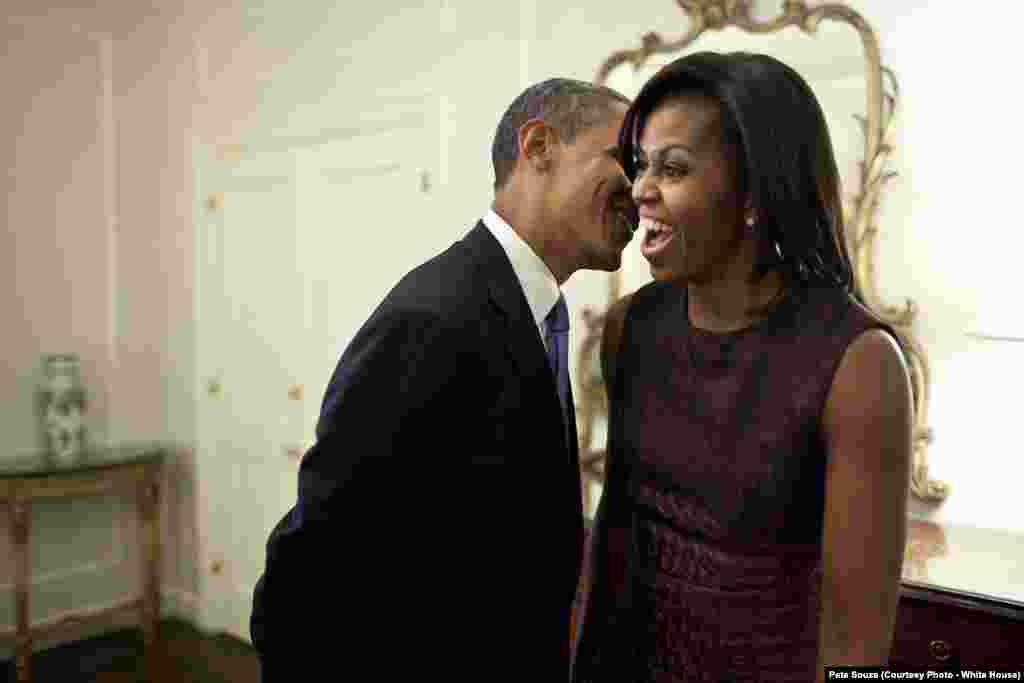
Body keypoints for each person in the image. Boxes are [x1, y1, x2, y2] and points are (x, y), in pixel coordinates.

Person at [250, 77, 637, 681]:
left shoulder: (531, 309)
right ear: (538, 147)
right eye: (624, 159)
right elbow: (315, 567)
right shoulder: (435, 318)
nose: (639, 190)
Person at [571, 52, 912, 683]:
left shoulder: (859, 364)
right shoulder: (632, 328)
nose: (640, 188)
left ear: (755, 191)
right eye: (642, 164)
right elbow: (613, 548)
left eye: (672, 168)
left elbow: (854, 644)